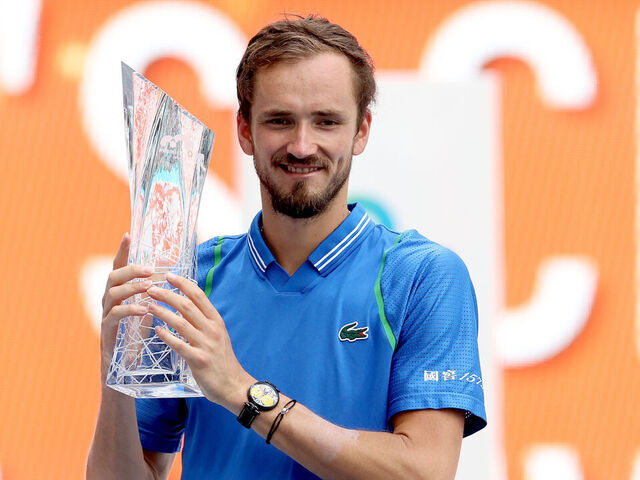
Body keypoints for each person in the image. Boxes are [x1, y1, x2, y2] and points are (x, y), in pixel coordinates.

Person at [87, 15, 486, 479]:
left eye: (326, 121)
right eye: (280, 120)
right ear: (244, 130)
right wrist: (115, 374)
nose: (301, 145)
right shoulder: (189, 280)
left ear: (361, 131)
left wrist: (241, 390)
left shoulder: (421, 277)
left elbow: (425, 471)